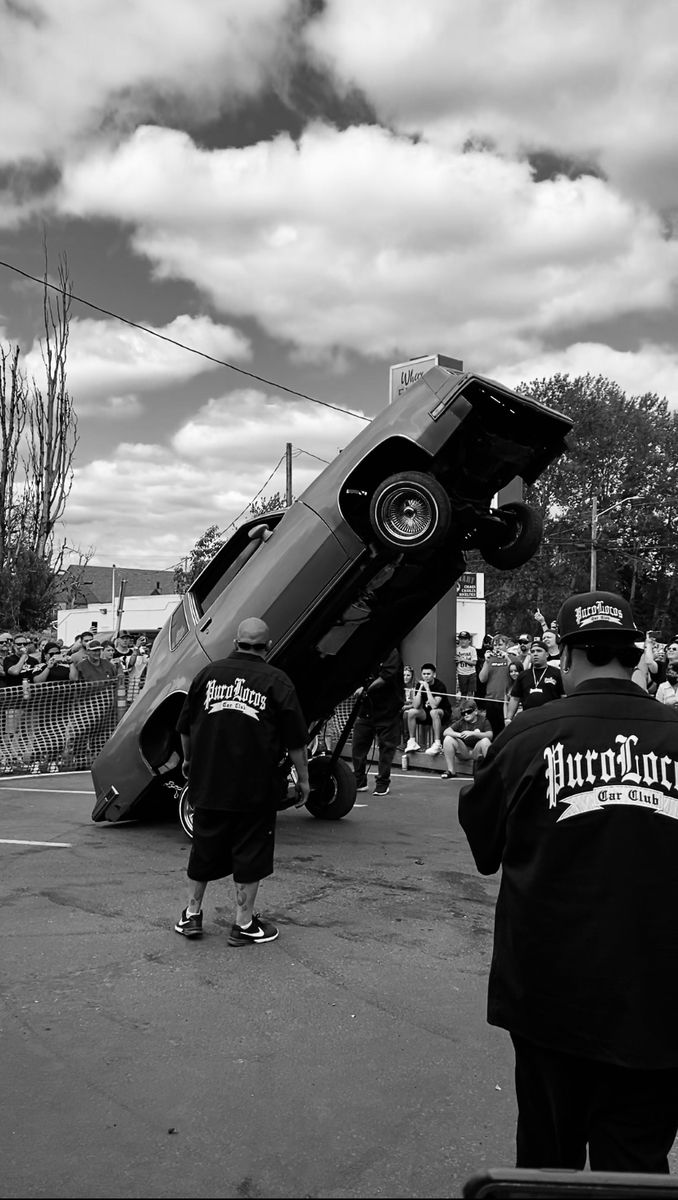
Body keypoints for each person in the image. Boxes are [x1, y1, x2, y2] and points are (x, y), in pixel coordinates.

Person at [459, 589, 678, 1174]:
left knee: (547, 1162)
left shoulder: (528, 736)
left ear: (566, 654)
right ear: (634, 655)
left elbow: (485, 846)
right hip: (660, 1002)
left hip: (549, 999)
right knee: (637, 1163)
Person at [175, 616, 310, 945]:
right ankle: (244, 923)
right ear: (269, 645)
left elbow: (185, 726)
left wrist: (191, 761)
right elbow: (295, 741)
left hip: (208, 781)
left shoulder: (208, 674)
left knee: (204, 848)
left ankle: (192, 916)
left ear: (235, 643)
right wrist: (303, 780)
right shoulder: (277, 681)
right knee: (251, 851)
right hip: (256, 786)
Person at [351, 648, 404, 796]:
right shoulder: (364, 653)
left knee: (386, 748)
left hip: (388, 709)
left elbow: (385, 677)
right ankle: (359, 780)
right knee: (358, 746)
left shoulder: (391, 653)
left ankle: (382, 782)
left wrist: (365, 689)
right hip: (367, 708)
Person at [504, 640, 564, 723]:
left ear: (546, 654)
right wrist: (508, 718)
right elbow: (515, 698)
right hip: (528, 720)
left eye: (539, 651)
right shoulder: (523, 675)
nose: (535, 654)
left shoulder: (557, 673)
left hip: (551, 720)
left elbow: (563, 697)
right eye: (532, 651)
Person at [404, 662, 451, 757]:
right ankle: (412, 741)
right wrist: (421, 689)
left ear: (434, 674)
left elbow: (434, 705)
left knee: (434, 712)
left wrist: (427, 689)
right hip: (426, 712)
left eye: (428, 674)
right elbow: (416, 705)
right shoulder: (419, 685)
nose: (426, 676)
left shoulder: (440, 686)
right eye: (424, 674)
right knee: (411, 712)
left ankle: (437, 744)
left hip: (442, 712)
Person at [440, 698, 492, 779]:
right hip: (464, 751)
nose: (466, 715)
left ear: (475, 711)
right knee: (448, 739)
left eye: (469, 712)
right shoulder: (461, 722)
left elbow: (490, 735)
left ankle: (491, 773)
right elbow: (446, 731)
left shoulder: (483, 720)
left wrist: (473, 733)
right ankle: (451, 771)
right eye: (463, 713)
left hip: (477, 751)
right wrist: (460, 734)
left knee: (486, 741)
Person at [477, 635, 511, 738]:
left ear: (507, 645)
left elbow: (517, 674)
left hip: (506, 699)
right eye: (495, 645)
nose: (497, 647)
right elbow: (482, 679)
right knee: (492, 729)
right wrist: (486, 662)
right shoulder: (489, 659)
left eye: (500, 645)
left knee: (505, 730)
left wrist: (507, 658)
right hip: (491, 698)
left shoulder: (511, 658)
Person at [454, 631, 477, 697]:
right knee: (463, 693)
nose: (462, 641)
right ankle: (463, 706)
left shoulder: (472, 649)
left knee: (470, 693)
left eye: (464, 639)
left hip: (471, 673)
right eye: (461, 639)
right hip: (461, 673)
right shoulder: (457, 649)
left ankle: (469, 706)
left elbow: (474, 662)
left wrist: (462, 659)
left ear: (469, 640)